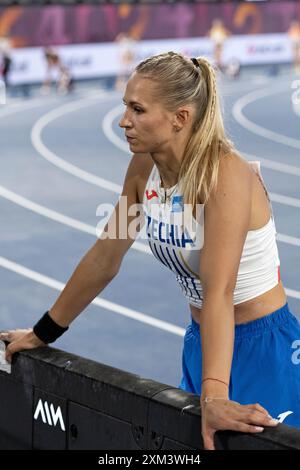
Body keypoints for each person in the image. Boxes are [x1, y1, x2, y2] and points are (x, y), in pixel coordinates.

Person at [1, 51, 299, 451]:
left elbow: (219, 291)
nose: (124, 120)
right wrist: (43, 332)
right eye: (125, 106)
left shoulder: (225, 175)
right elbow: (106, 256)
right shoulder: (144, 168)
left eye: (138, 109)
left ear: (181, 117)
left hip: (265, 350)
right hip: (203, 342)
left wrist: (214, 395)